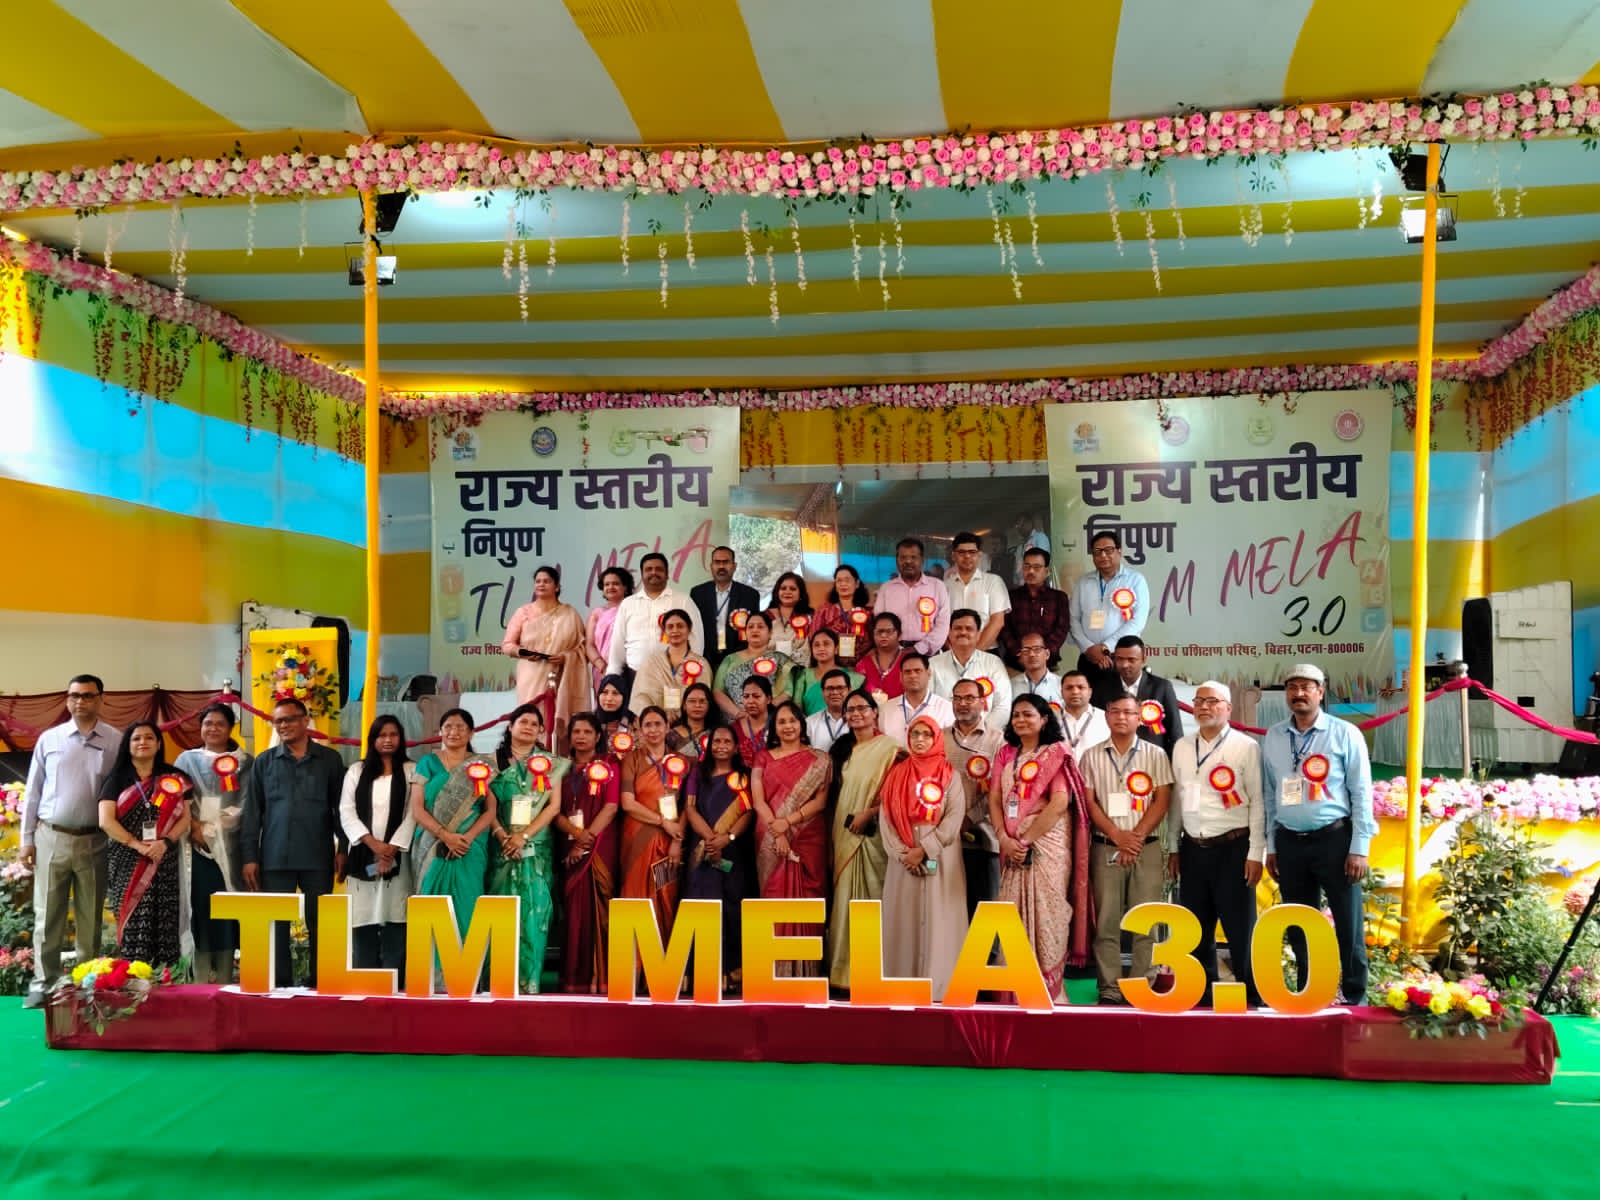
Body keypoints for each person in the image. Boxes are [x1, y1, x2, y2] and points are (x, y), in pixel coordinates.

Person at [1262, 664, 1375, 1005]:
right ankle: (1309, 992)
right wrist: (1272, 846)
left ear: (1321, 692)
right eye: (1292, 687)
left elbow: (1361, 792)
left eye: (1306, 687)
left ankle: (1355, 997)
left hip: (1335, 841)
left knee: (1348, 923)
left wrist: (1360, 847)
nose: (1298, 694)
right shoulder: (1274, 736)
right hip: (1289, 842)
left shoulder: (1344, 733)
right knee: (1299, 921)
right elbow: (1270, 794)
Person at [20, 674, 118, 1007]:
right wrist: (27, 839)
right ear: (67, 700)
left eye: (88, 696)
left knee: (90, 917)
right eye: (75, 695)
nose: (80, 701)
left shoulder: (115, 740)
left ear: (101, 699)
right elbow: (33, 791)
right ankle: (43, 983)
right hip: (52, 837)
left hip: (95, 840)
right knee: (47, 915)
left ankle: (86, 984)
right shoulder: (50, 739)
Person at [1167, 682, 1265, 1006]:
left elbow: (1258, 802)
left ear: (1228, 708)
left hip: (1233, 848)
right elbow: (1177, 800)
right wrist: (1174, 847)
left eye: (1212, 701)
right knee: (1196, 927)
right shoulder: (1182, 746)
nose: (1204, 707)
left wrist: (1256, 852)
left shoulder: (1246, 746)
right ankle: (1201, 994)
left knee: (1240, 927)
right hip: (1193, 848)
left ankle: (1252, 996)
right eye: (1199, 701)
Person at [988, 695, 1089, 1003]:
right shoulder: (1006, 753)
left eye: (1028, 714)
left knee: (1049, 913)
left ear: (1044, 719)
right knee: (1012, 914)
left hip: (1047, 844)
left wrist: (1026, 839)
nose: (1021, 720)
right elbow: (994, 799)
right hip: (1012, 846)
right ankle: (1015, 991)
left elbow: (1059, 802)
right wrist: (1004, 839)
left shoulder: (1055, 753)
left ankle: (1049, 993)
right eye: (1016, 715)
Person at [240, 697, 347, 988]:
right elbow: (253, 813)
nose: (283, 725)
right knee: (277, 926)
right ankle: (281, 983)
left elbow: (341, 809)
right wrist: (250, 857)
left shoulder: (329, 760)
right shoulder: (264, 762)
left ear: (305, 720)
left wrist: (343, 849)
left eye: (289, 719)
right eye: (278, 721)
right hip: (275, 857)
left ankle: (320, 982)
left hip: (318, 856)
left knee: (320, 922)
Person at [1081, 696, 1175, 1004]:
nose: (1122, 717)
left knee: (1145, 921)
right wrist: (1116, 835)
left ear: (1140, 718)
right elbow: (1089, 802)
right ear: (1106, 716)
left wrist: (1134, 838)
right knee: (1106, 923)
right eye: (1115, 711)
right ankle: (1109, 989)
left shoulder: (1156, 754)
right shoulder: (1091, 756)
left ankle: (1141, 986)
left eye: (1129, 712)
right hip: (1105, 846)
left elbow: (1162, 800)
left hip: (1146, 848)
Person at [880, 714, 969, 999]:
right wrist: (903, 853)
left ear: (936, 738)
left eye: (926, 734)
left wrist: (925, 849)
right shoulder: (896, 774)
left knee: (942, 916)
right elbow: (886, 818)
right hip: (904, 860)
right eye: (915, 734)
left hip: (941, 856)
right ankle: (901, 983)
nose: (920, 740)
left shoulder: (950, 775)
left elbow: (954, 817)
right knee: (903, 918)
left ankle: (940, 984)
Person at [488, 703, 569, 993]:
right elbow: (488, 806)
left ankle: (529, 983)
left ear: (540, 732)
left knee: (536, 914)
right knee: (502, 910)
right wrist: (503, 836)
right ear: (510, 726)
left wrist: (523, 837)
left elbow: (554, 807)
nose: (528, 727)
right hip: (501, 847)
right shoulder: (492, 763)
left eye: (534, 724)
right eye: (523, 722)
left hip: (536, 848)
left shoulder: (551, 764)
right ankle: (500, 981)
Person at [97, 721, 193, 967]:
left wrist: (165, 843)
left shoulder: (175, 778)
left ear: (159, 744)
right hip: (127, 859)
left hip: (164, 858)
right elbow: (106, 821)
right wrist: (138, 845)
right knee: (133, 920)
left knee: (164, 918)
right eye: (136, 738)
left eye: (149, 737)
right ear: (128, 745)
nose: (143, 742)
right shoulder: (116, 778)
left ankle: (167, 979)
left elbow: (185, 818)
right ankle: (134, 978)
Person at [826, 689, 902, 989]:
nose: (856, 714)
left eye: (862, 708)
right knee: (844, 901)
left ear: (875, 713)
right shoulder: (841, 750)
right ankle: (842, 973)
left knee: (872, 899)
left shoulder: (891, 749)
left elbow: (898, 793)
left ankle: (873, 970)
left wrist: (870, 812)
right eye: (851, 710)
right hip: (843, 834)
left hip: (873, 837)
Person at [752, 700, 833, 980]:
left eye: (793, 721)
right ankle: (775, 973)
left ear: (802, 724)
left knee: (809, 897)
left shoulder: (821, 759)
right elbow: (758, 800)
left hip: (808, 837)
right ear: (774, 727)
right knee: (774, 895)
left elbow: (821, 801)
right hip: (769, 836)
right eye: (782, 722)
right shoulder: (763, 758)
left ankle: (807, 973)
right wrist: (778, 831)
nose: (788, 726)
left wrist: (787, 822)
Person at [409, 708, 498, 956]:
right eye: (448, 726)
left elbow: (490, 810)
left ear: (471, 733)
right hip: (433, 844)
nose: (453, 732)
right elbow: (417, 809)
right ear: (440, 731)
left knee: (468, 902)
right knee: (431, 903)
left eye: (460, 727)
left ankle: (467, 968)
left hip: (470, 847)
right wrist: (445, 836)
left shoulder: (481, 765)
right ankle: (430, 972)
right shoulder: (428, 763)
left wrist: (467, 838)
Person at [173, 702, 250, 983]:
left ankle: (227, 974)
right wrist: (195, 827)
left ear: (231, 728)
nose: (213, 728)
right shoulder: (186, 760)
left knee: (228, 910)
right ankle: (200, 977)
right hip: (195, 847)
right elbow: (176, 800)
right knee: (201, 909)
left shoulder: (246, 762)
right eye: (208, 723)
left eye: (220, 723)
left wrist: (219, 826)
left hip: (232, 849)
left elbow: (249, 802)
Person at [338, 715, 416, 976]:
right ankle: (365, 978)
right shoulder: (356, 770)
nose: (387, 740)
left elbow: (414, 812)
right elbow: (346, 810)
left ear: (401, 738)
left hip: (400, 858)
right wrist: (373, 844)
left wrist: (391, 849)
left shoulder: (411, 770)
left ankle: (395, 981)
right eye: (382, 735)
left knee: (397, 917)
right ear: (372, 739)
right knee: (363, 918)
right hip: (363, 856)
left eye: (393, 735)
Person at [684, 726, 755, 993]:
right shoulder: (697, 774)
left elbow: (747, 812)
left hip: (732, 850)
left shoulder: (742, 777)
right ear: (709, 745)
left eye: (727, 741)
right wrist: (711, 838)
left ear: (736, 747)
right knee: (701, 904)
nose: (721, 746)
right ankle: (702, 971)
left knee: (731, 907)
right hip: (702, 849)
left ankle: (731, 972)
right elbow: (690, 809)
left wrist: (727, 838)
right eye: (717, 741)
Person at [555, 712, 621, 994]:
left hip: (599, 847)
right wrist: (574, 833)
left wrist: (584, 841)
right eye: (576, 732)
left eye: (587, 732)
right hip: (567, 844)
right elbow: (554, 810)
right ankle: (574, 977)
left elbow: (611, 806)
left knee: (599, 909)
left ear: (597, 737)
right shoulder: (561, 768)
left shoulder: (609, 764)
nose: (581, 736)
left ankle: (601, 977)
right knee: (573, 913)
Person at [501, 564, 590, 746]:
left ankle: (559, 757)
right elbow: (507, 645)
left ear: (557, 587)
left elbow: (582, 648)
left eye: (546, 581)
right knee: (532, 716)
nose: (541, 584)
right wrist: (523, 653)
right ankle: (533, 756)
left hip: (562, 675)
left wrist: (566, 657)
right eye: (538, 581)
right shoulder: (523, 612)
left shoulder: (570, 613)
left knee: (558, 718)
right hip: (531, 674)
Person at [618, 707, 687, 937]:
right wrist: (662, 822)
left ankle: (665, 955)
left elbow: (689, 806)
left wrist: (677, 839)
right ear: (639, 729)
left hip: (671, 840)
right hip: (637, 837)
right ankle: (634, 957)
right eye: (647, 725)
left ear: (667, 727)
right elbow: (628, 803)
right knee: (635, 893)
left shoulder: (682, 762)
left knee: (667, 896)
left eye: (658, 724)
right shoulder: (632, 759)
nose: (653, 729)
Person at [944, 678, 1004, 917]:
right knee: (949, 909)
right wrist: (949, 823)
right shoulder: (939, 738)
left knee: (984, 909)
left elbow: (1000, 789)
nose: (962, 703)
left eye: (969, 698)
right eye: (957, 698)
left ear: (983, 702)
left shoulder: (998, 740)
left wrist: (968, 818)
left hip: (984, 837)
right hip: (945, 838)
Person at [1070, 531, 1150, 697]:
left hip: (1121, 659)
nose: (1103, 555)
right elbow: (1073, 619)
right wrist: (1088, 648)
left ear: (1119, 551)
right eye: (1097, 551)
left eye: (1109, 550)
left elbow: (1138, 621)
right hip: (1089, 658)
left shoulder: (1135, 580)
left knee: (1121, 705)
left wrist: (1106, 647)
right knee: (1089, 705)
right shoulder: (1083, 583)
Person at [607, 552, 703, 684]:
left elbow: (696, 639)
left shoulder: (683, 601)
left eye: (659, 569)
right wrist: (612, 675)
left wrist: (692, 669)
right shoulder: (628, 604)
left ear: (667, 574)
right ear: (642, 574)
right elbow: (617, 643)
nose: (653, 572)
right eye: (649, 569)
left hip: (675, 676)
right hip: (635, 676)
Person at [1095, 635, 1181, 759]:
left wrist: (1175, 764)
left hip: (1153, 759)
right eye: (1120, 659)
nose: (1125, 665)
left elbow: (1175, 732)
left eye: (1131, 660)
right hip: (1112, 758)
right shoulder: (1103, 687)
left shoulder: (1161, 687)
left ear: (1144, 659)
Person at [930, 609, 1012, 731]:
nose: (963, 632)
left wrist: (982, 732)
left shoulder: (993, 663)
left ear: (978, 634)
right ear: (949, 633)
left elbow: (1003, 707)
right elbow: (928, 705)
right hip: (944, 735)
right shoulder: (932, 664)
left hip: (986, 736)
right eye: (958, 628)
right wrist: (949, 734)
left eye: (969, 629)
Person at [629, 608, 712, 724]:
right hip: (655, 725)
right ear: (664, 631)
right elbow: (640, 697)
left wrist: (679, 717)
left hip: (690, 726)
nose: (675, 630)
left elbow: (703, 700)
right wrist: (659, 715)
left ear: (689, 630)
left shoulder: (700, 663)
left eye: (680, 626)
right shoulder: (651, 662)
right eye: (670, 627)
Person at [999, 547, 1072, 672]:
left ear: (1046, 571)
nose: (1031, 571)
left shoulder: (1058, 598)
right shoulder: (1011, 596)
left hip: (1048, 666)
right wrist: (1019, 652)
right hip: (1016, 664)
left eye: (1037, 567)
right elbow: (1004, 628)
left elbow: (1061, 629)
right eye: (1027, 566)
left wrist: (1041, 654)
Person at [711, 611, 793, 721]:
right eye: (750, 627)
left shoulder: (780, 659)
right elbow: (717, 691)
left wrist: (764, 712)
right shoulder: (729, 660)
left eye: (760, 627)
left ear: (770, 632)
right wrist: (738, 713)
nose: (755, 630)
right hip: (736, 721)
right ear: (745, 632)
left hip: (770, 720)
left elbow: (788, 691)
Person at [690, 545, 760, 674]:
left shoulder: (750, 595)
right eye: (717, 562)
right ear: (711, 566)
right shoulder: (697, 593)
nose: (721, 566)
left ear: (734, 566)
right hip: (705, 659)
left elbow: (753, 629)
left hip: (738, 660)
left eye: (726, 562)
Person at [874, 537, 950, 656]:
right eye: (903, 557)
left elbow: (943, 625)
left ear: (922, 560)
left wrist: (920, 648)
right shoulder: (886, 589)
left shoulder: (937, 586)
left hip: (929, 654)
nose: (908, 561)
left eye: (913, 557)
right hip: (894, 653)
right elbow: (879, 624)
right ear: (897, 561)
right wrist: (894, 649)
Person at [944, 531, 1010, 651]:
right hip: (953, 652)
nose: (967, 556)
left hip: (987, 651)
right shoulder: (945, 586)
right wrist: (953, 652)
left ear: (979, 555)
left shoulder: (993, 582)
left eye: (972, 552)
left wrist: (975, 654)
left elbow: (997, 622)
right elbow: (941, 623)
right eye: (961, 552)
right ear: (953, 556)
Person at [878, 653, 953, 746]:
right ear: (901, 676)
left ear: (929, 673)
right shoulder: (886, 709)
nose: (913, 675)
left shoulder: (946, 709)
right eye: (907, 672)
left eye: (918, 671)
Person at [585, 566, 633, 699]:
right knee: (606, 705)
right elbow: (589, 645)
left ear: (625, 587)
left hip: (628, 669)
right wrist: (602, 666)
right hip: (602, 671)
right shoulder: (597, 613)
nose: (610, 587)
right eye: (607, 584)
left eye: (616, 583)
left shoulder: (633, 610)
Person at [793, 628, 863, 716]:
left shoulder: (854, 678)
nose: (821, 648)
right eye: (816, 645)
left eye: (826, 644)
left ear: (836, 649)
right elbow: (797, 708)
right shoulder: (804, 675)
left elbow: (856, 707)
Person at [813, 565, 873, 661]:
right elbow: (813, 638)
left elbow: (874, 641)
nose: (843, 584)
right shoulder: (824, 610)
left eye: (847, 580)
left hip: (862, 665)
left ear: (857, 584)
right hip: (831, 664)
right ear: (835, 585)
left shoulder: (868, 612)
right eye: (839, 581)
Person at [766, 571, 816, 664]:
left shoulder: (809, 618)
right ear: (777, 592)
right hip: (770, 666)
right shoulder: (765, 616)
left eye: (792, 589)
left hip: (801, 667)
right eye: (783, 588)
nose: (787, 592)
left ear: (801, 594)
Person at [1057, 669, 1110, 757]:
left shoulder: (1105, 718)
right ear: (1062, 693)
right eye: (1069, 688)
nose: (1075, 692)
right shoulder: (1051, 719)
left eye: (1080, 687)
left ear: (1090, 692)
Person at [859, 612, 909, 702]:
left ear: (899, 634)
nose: (883, 635)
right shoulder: (863, 664)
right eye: (879, 632)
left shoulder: (909, 661)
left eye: (889, 631)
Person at [1010, 632, 1065, 714]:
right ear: (1020, 656)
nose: (1031, 654)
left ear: (1047, 654)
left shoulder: (1061, 684)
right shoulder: (1011, 685)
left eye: (1037, 649)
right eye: (1026, 650)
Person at [805, 669, 853, 751]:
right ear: (822, 692)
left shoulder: (859, 720)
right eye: (830, 688)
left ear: (849, 690)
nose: (835, 692)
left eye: (840, 688)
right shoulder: (809, 723)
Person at [732, 676, 775, 766]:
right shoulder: (734, 729)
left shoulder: (777, 726)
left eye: (756, 696)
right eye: (746, 696)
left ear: (768, 699)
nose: (750, 701)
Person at [669, 682, 718, 761]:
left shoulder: (715, 733)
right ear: (684, 706)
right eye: (692, 701)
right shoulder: (671, 736)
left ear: (709, 705)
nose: (697, 705)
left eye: (702, 701)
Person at [594, 674, 634, 747]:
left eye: (615, 693)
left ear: (624, 697)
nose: (609, 698)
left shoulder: (635, 725)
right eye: (605, 692)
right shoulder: (589, 723)